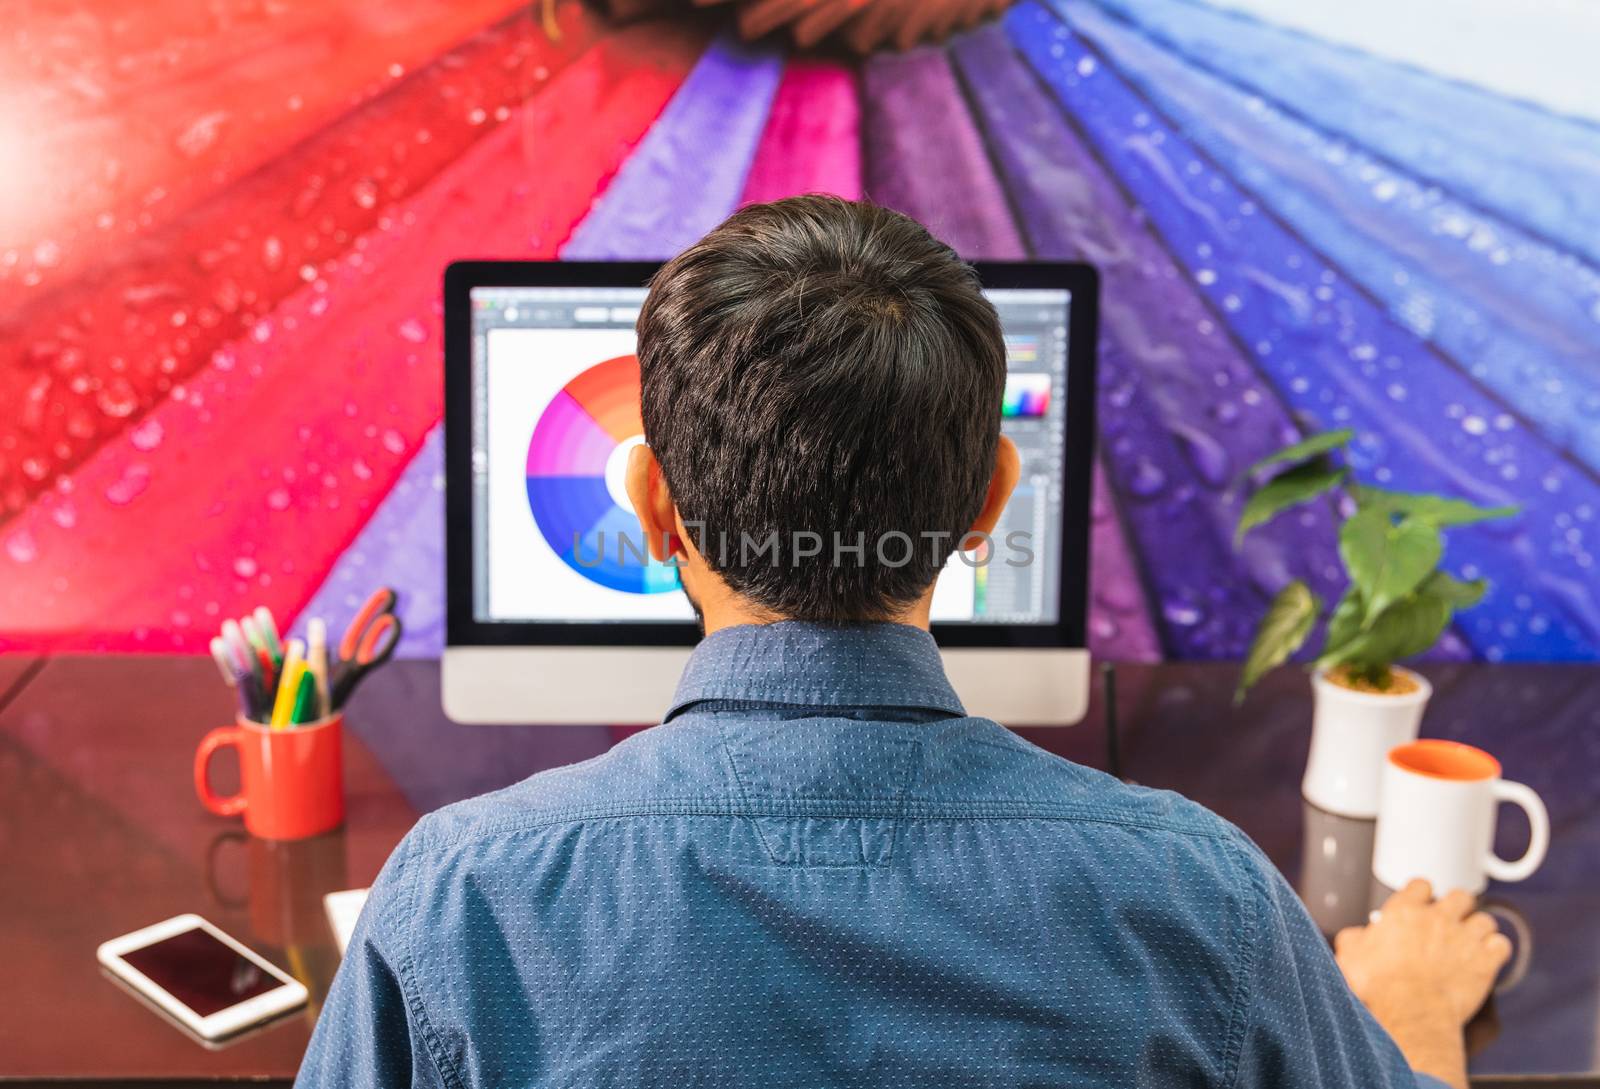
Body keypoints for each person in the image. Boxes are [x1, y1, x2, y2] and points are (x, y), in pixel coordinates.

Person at [297, 196, 1510, 1088]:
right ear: (990, 499)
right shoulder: (1200, 896)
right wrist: (1415, 1018)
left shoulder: (459, 901)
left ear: (651, 505)